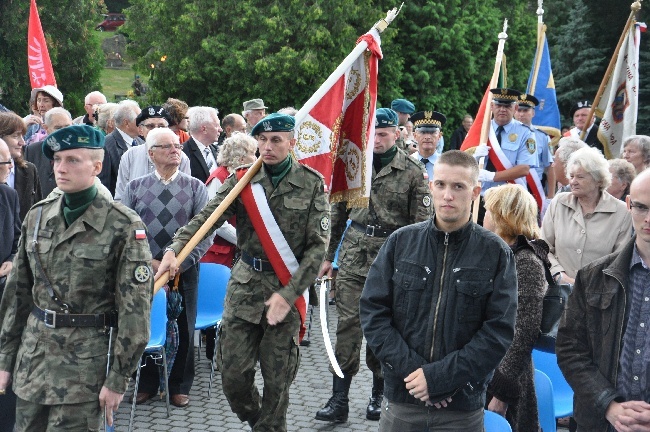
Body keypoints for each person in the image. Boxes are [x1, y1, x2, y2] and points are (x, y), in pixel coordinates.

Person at [156, 112, 329, 431]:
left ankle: (270, 426)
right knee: (233, 378)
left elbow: (318, 250)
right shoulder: (242, 180)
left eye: (276, 140)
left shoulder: (311, 184)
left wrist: (288, 295)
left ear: (292, 143)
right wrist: (173, 250)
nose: (267, 147)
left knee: (278, 386)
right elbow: (206, 218)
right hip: (245, 287)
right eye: (262, 140)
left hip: (285, 289)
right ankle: (261, 423)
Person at [0, 125, 152, 430]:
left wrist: (118, 378)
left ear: (96, 166)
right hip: (34, 359)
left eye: (72, 160)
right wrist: (5, 359)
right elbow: (17, 294)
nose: (60, 168)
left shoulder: (122, 224)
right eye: (57, 160)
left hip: (86, 367)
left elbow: (135, 311)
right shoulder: (38, 215)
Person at [359, 150, 518, 431]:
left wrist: (442, 378)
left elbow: (498, 331)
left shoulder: (495, 253)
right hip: (403, 402)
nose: (448, 195)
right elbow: (373, 314)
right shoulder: (401, 243)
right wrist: (415, 374)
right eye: (441, 184)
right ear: (431, 186)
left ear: (475, 192)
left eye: (458, 186)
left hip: (461, 408)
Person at [315, 108, 432, 423]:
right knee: (347, 327)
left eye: (383, 134)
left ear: (397, 134)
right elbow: (337, 213)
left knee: (384, 328)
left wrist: (416, 267)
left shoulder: (411, 171)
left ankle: (379, 395)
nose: (377, 140)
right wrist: (328, 258)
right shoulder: (354, 166)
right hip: (354, 254)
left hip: (392, 258)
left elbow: (422, 225)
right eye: (372, 135)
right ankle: (339, 399)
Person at [123, 128, 211, 408]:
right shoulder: (134, 187)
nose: (176, 150)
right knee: (146, 325)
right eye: (168, 146)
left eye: (178, 146)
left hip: (185, 271)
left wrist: (180, 263)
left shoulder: (196, 187)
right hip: (145, 271)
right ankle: (147, 383)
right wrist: (150, 261)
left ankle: (179, 386)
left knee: (185, 328)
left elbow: (206, 232)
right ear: (151, 154)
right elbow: (127, 229)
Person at [557, 169, 650, 432]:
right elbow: (570, 349)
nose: (648, 219)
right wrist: (607, 404)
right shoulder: (593, 276)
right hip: (600, 423)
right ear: (629, 204)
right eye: (641, 208)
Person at [483, 184, 547, 432]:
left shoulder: (526, 261)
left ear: (502, 216)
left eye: (488, 210)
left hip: (507, 375)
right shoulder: (494, 252)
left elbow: (524, 332)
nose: (483, 215)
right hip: (483, 368)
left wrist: (502, 391)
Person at [542, 146, 633, 284]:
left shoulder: (622, 211)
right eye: (571, 176)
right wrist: (559, 275)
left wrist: (592, 285)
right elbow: (543, 247)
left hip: (600, 295)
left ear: (598, 180)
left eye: (580, 177)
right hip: (558, 292)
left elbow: (620, 260)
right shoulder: (559, 203)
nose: (573, 181)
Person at [114, 106, 191, 201]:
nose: (156, 130)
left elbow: (186, 194)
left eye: (161, 126)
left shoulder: (179, 156)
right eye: (150, 126)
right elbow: (121, 196)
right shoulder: (130, 156)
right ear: (140, 130)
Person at [202, 132, 257, 266]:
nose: (256, 158)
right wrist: (243, 242)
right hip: (218, 256)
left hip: (233, 252)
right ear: (241, 158)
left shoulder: (242, 177)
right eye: (253, 153)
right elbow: (216, 221)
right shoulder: (219, 178)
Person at [0, 138, 19, 432]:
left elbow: (18, 238)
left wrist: (14, 259)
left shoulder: (8, 195)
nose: (10, 167)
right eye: (5, 162)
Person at [0, 112, 42, 221]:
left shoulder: (29, 170)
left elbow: (39, 211)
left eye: (22, 136)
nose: (22, 142)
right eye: (15, 136)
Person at [23, 107, 74, 197]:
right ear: (46, 128)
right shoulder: (32, 151)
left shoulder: (79, 151)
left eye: (67, 127)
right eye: (58, 128)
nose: (64, 132)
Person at [98, 99, 142, 196]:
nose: (142, 123)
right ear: (126, 123)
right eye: (139, 119)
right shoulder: (106, 146)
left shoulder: (141, 142)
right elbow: (103, 185)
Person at [516, 94, 556, 198]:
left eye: (525, 111)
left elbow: (550, 167)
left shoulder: (542, 137)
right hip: (511, 185)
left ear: (533, 113)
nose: (521, 114)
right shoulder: (506, 134)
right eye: (519, 110)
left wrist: (551, 196)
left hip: (534, 188)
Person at [183, 106, 221, 183]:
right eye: (216, 125)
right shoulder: (183, 153)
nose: (220, 129)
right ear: (204, 129)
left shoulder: (218, 151)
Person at [409, 110, 446, 183]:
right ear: (415, 136)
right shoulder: (407, 162)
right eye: (422, 132)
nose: (427, 137)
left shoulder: (446, 164)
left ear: (439, 136)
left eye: (432, 132)